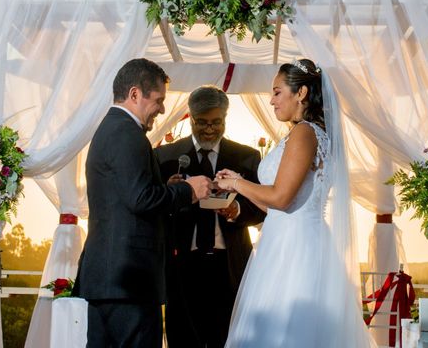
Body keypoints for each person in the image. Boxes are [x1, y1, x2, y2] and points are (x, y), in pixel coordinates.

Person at [215, 59, 377, 348]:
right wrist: (242, 183)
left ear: (301, 93)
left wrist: (236, 185)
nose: (271, 100)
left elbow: (280, 197)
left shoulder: (305, 132)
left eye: (277, 92)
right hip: (284, 240)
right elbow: (279, 208)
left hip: (296, 250)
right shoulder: (300, 133)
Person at [73, 58, 213, 348]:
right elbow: (141, 199)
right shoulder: (127, 133)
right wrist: (188, 190)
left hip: (111, 277)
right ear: (135, 94)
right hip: (130, 279)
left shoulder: (112, 128)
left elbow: (127, 195)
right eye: (159, 100)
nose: (162, 109)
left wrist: (165, 189)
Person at [156, 86, 266, 348]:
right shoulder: (165, 157)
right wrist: (169, 194)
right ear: (191, 117)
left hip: (229, 265)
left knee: (228, 339)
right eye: (202, 122)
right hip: (182, 264)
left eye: (216, 122)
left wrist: (237, 210)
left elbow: (261, 207)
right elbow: (152, 209)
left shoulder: (247, 157)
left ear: (225, 119)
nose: (209, 129)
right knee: (182, 338)